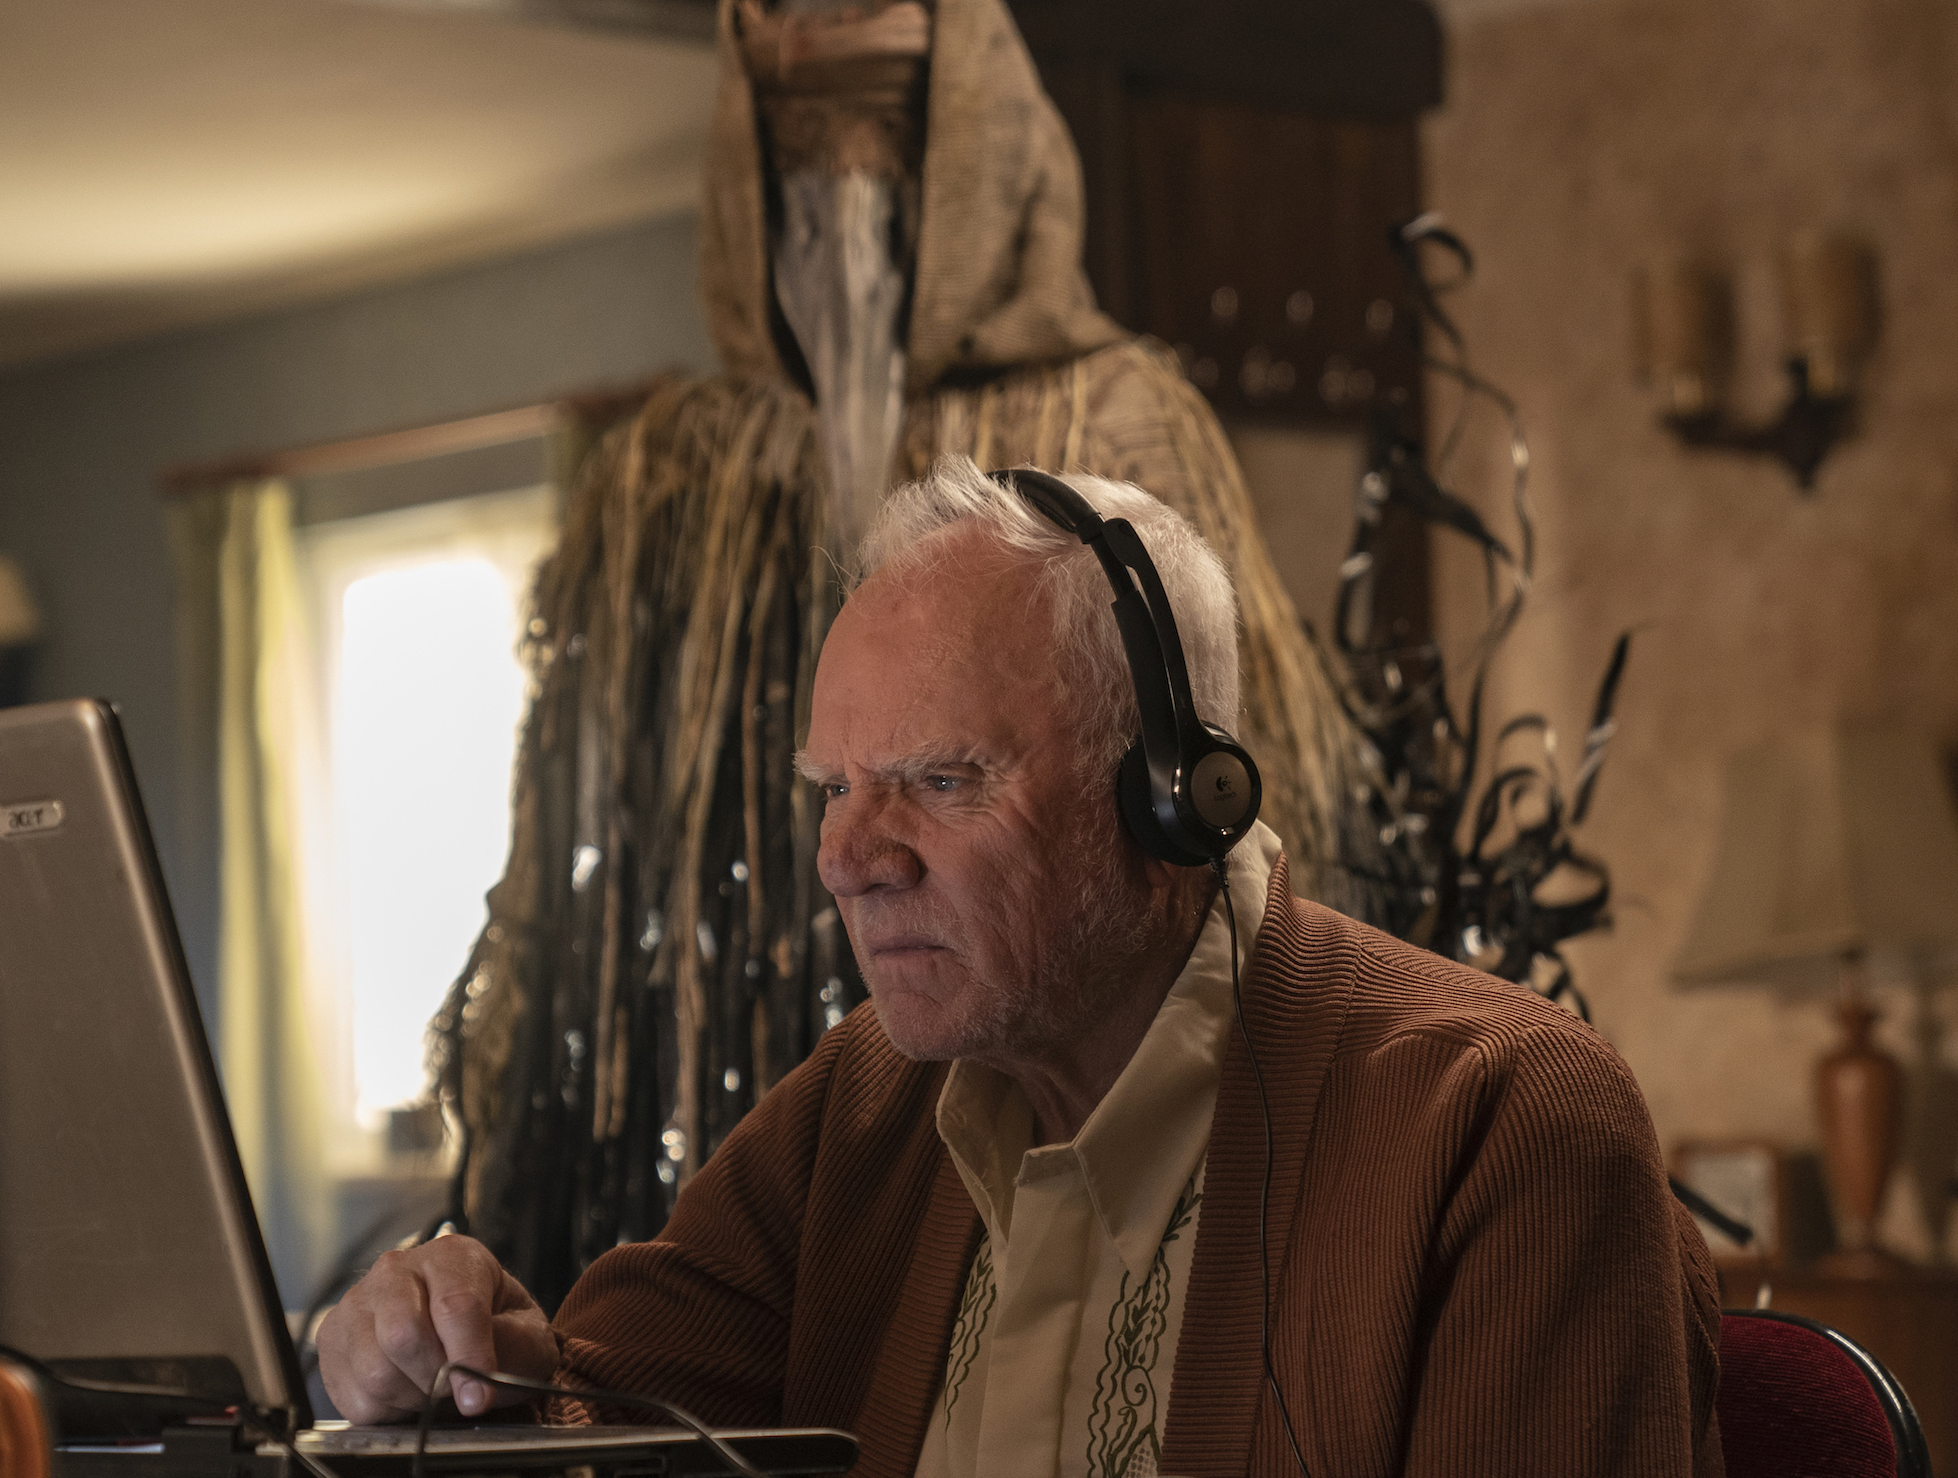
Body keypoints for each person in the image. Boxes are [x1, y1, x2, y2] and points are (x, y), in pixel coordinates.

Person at [324, 462, 1723, 1478]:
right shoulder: (858, 1107)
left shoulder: (1502, 1122)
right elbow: (584, 1412)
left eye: (941, 779)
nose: (851, 857)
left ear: (1175, 799)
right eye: (835, 787)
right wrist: (436, 1360)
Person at [440, 0, 1379, 1304]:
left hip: (1104, 1105)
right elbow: (568, 850)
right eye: (800, 132)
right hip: (749, 1123)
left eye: (882, 119)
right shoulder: (670, 468)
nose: (846, 172)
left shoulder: (1112, 417)